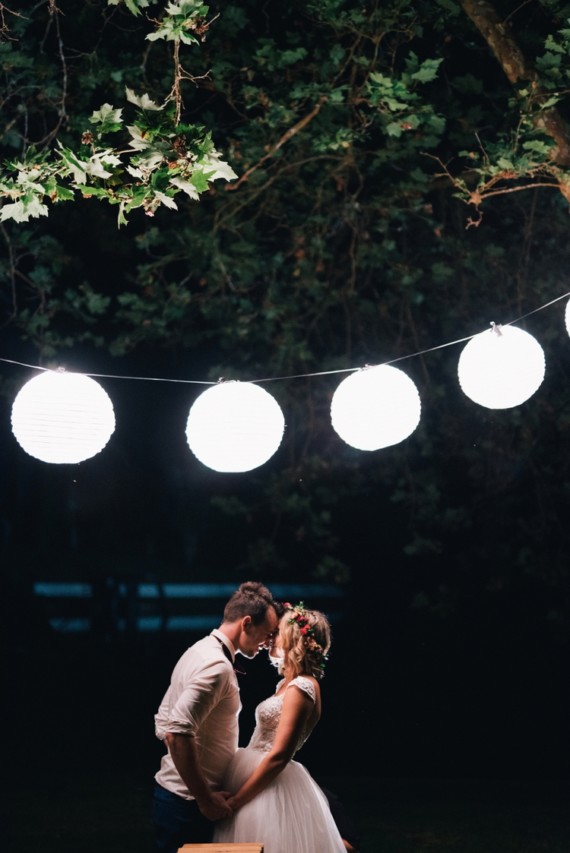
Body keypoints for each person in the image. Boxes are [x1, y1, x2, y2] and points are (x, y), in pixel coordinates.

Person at [152, 581, 279, 853]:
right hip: (187, 804)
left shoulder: (197, 650)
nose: (267, 643)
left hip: (179, 797)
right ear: (247, 623)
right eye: (266, 634)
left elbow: (164, 721)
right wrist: (205, 798)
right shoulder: (216, 666)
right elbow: (175, 732)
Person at [213, 601, 347, 852]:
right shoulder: (286, 684)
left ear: (294, 639)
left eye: (278, 633)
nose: (271, 639)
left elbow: (279, 756)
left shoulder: (302, 687)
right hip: (252, 771)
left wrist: (238, 799)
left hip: (268, 783)